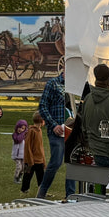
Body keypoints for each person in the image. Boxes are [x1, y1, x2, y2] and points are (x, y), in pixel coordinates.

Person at [36, 70, 71, 198]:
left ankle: (70, 195)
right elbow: (43, 106)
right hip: (57, 131)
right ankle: (42, 190)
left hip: (72, 131)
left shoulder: (76, 85)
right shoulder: (53, 83)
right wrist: (53, 124)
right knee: (56, 161)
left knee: (72, 162)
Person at [74, 63, 109, 173]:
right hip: (108, 153)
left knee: (99, 186)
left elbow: (84, 125)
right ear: (107, 80)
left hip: (93, 151)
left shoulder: (87, 99)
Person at [20, 111, 47, 193]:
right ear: (42, 121)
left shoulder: (40, 131)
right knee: (27, 175)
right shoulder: (31, 131)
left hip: (39, 160)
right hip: (31, 160)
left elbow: (40, 147)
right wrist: (30, 160)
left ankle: (41, 191)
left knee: (41, 176)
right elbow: (28, 146)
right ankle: (24, 190)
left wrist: (43, 160)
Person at [10, 117, 28, 182]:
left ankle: (20, 176)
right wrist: (22, 134)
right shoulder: (15, 135)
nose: (20, 129)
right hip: (17, 155)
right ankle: (16, 177)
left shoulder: (26, 136)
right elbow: (18, 140)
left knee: (23, 168)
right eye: (19, 127)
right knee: (19, 167)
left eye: (23, 128)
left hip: (23, 154)